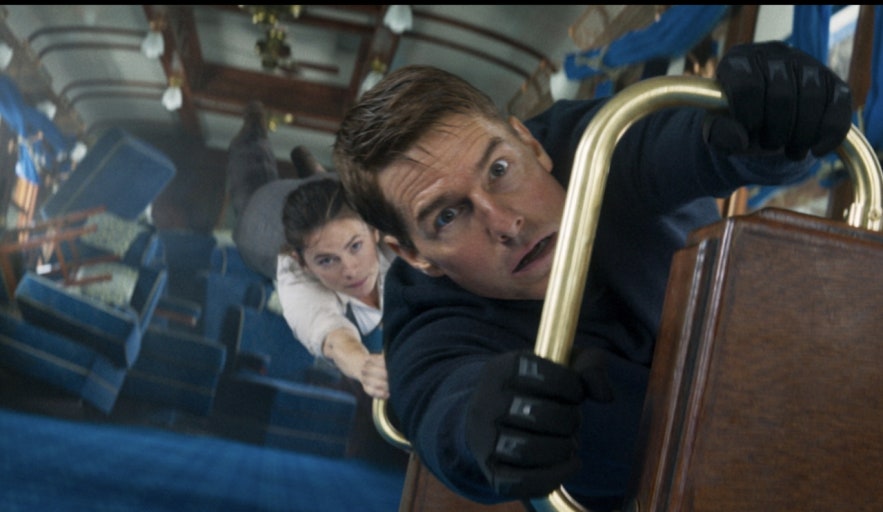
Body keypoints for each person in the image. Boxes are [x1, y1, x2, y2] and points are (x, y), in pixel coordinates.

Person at [331, 41, 852, 509]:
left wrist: (771, 120)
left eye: (499, 170)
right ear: (412, 253)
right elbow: (442, 408)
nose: (505, 223)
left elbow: (682, 143)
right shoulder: (425, 318)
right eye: (447, 216)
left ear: (529, 144)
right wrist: (488, 425)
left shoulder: (595, 140)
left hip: (815, 403)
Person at [276, 174, 393, 400]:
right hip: (259, 227)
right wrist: (365, 367)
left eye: (355, 246)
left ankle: (316, 173)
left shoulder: (397, 228)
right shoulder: (296, 275)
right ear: (303, 263)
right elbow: (333, 338)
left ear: (374, 231)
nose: (350, 270)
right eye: (327, 260)